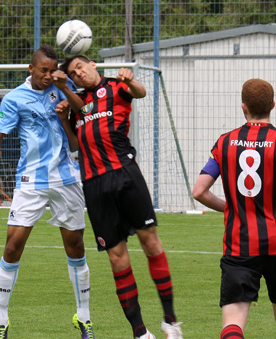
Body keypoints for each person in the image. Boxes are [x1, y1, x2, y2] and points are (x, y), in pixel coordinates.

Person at [56, 56, 184, 339]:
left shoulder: (116, 87)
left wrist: (130, 80)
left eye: (81, 68)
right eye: (73, 75)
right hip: (94, 184)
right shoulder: (77, 104)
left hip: (126, 174)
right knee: (117, 258)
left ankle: (170, 321)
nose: (79, 75)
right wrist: (64, 120)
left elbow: (140, 92)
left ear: (92, 64)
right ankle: (140, 333)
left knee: (151, 243)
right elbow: (76, 144)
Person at [191, 78, 276, 339]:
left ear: (243, 107)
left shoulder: (224, 142)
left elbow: (199, 191)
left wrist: (229, 208)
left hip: (239, 244)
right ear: (273, 105)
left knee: (233, 323)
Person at [0, 45, 95, 339]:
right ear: (30, 69)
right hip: (30, 181)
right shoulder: (14, 98)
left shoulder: (64, 86)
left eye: (52, 70)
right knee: (12, 246)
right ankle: (2, 320)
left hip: (66, 179)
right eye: (43, 70)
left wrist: (65, 90)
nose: (48, 75)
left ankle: (84, 317)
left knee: (75, 247)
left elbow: (84, 108)